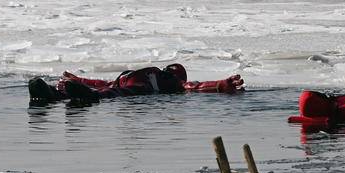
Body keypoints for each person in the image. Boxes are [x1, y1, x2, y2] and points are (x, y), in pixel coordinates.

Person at [28, 63, 245, 104]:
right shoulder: (157, 75)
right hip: (122, 86)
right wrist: (78, 79)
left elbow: (195, 87)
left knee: (110, 92)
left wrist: (219, 85)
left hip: (134, 90)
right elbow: (104, 81)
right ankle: (54, 94)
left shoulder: (173, 83)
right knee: (109, 89)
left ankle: (79, 95)